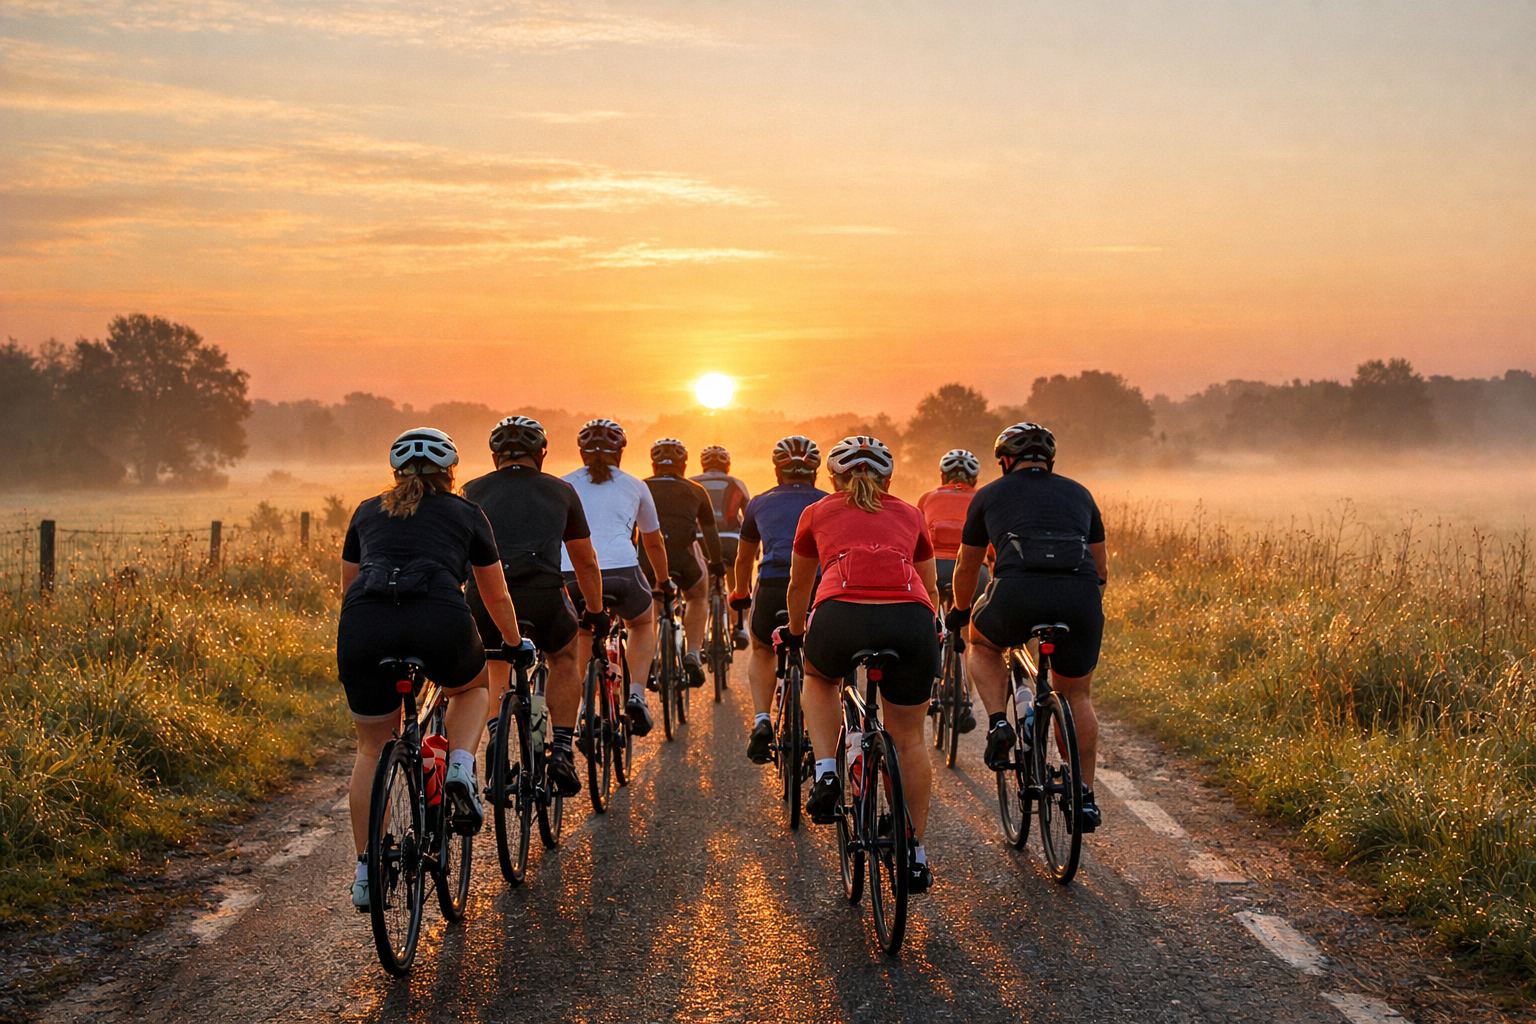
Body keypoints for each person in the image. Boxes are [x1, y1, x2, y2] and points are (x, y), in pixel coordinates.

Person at [338, 427, 526, 910]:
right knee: (470, 688)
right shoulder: (466, 512)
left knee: (371, 747)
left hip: (365, 624)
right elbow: (495, 593)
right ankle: (461, 768)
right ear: (451, 472)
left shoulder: (365, 511)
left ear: (395, 473)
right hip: (439, 619)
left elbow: (348, 589)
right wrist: (511, 642)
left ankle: (367, 870)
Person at [779, 435, 941, 893]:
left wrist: (795, 633)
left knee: (818, 678)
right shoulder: (911, 513)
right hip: (911, 619)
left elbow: (798, 585)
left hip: (840, 614)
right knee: (908, 739)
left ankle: (828, 771)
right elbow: (929, 585)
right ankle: (914, 855)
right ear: (889, 478)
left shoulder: (817, 512)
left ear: (833, 478)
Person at [947, 422, 1108, 832]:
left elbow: (967, 566)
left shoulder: (989, 495)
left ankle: (1000, 722)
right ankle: (1084, 795)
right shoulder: (1079, 493)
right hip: (1080, 597)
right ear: (1050, 460)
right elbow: (1101, 569)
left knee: (983, 645)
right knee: (1076, 693)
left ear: (1004, 461)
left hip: (1017, 593)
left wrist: (962, 613)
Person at [463, 416, 607, 797]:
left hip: (485, 596)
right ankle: (561, 749)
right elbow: (585, 561)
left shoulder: (471, 489)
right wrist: (594, 611)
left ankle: (496, 736)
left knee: (494, 658)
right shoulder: (560, 491)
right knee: (563, 655)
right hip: (543, 594)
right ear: (541, 454)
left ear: (495, 456)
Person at [561, 418, 670, 737]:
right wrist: (663, 582)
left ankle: (583, 707)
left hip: (572, 573)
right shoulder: (636, 485)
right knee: (641, 623)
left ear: (581, 452)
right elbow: (653, 541)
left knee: (582, 631)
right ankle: (636, 693)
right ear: (620, 452)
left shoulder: (563, 484)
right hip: (621, 572)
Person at [730, 436, 827, 764]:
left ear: (777, 470)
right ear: (815, 471)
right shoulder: (829, 501)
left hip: (772, 585)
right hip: (817, 585)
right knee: (821, 663)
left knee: (761, 647)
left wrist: (740, 593)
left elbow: (744, 559)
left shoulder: (759, 502)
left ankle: (761, 720)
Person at [640, 438, 724, 688]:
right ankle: (693, 653)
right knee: (698, 597)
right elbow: (710, 534)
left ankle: (651, 654)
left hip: (648, 559)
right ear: (684, 464)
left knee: (653, 601)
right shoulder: (696, 489)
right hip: (685, 558)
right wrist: (717, 564)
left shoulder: (640, 487)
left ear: (654, 464)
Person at [915, 448, 988, 733]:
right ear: (974, 477)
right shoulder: (981, 498)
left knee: (931, 624)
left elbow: (917, 536)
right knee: (969, 639)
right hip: (970, 570)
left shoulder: (928, 497)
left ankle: (931, 682)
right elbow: (990, 544)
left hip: (933, 568)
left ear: (943, 476)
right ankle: (964, 699)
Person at [690, 445, 751, 594]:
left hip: (699, 540)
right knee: (737, 588)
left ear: (703, 464)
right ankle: (738, 616)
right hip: (732, 539)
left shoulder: (691, 483)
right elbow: (750, 517)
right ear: (727, 466)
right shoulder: (737, 484)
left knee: (697, 595)